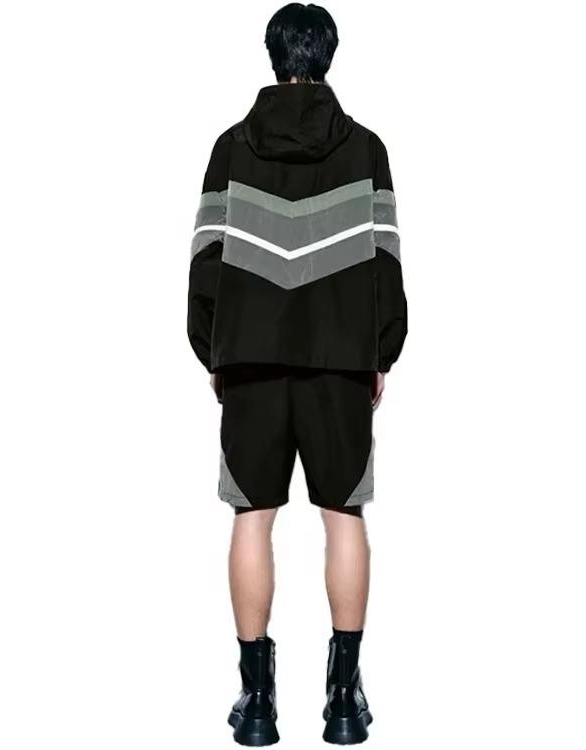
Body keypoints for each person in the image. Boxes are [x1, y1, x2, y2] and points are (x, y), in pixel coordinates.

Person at [187, 3, 407, 745]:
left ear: (274, 56)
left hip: (249, 355)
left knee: (253, 515)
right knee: (344, 515)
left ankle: (257, 704)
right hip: (341, 356)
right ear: (327, 56)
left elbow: (206, 258)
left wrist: (214, 351)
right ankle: (343, 703)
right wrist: (380, 352)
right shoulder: (367, 148)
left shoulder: (230, 147)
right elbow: (385, 260)